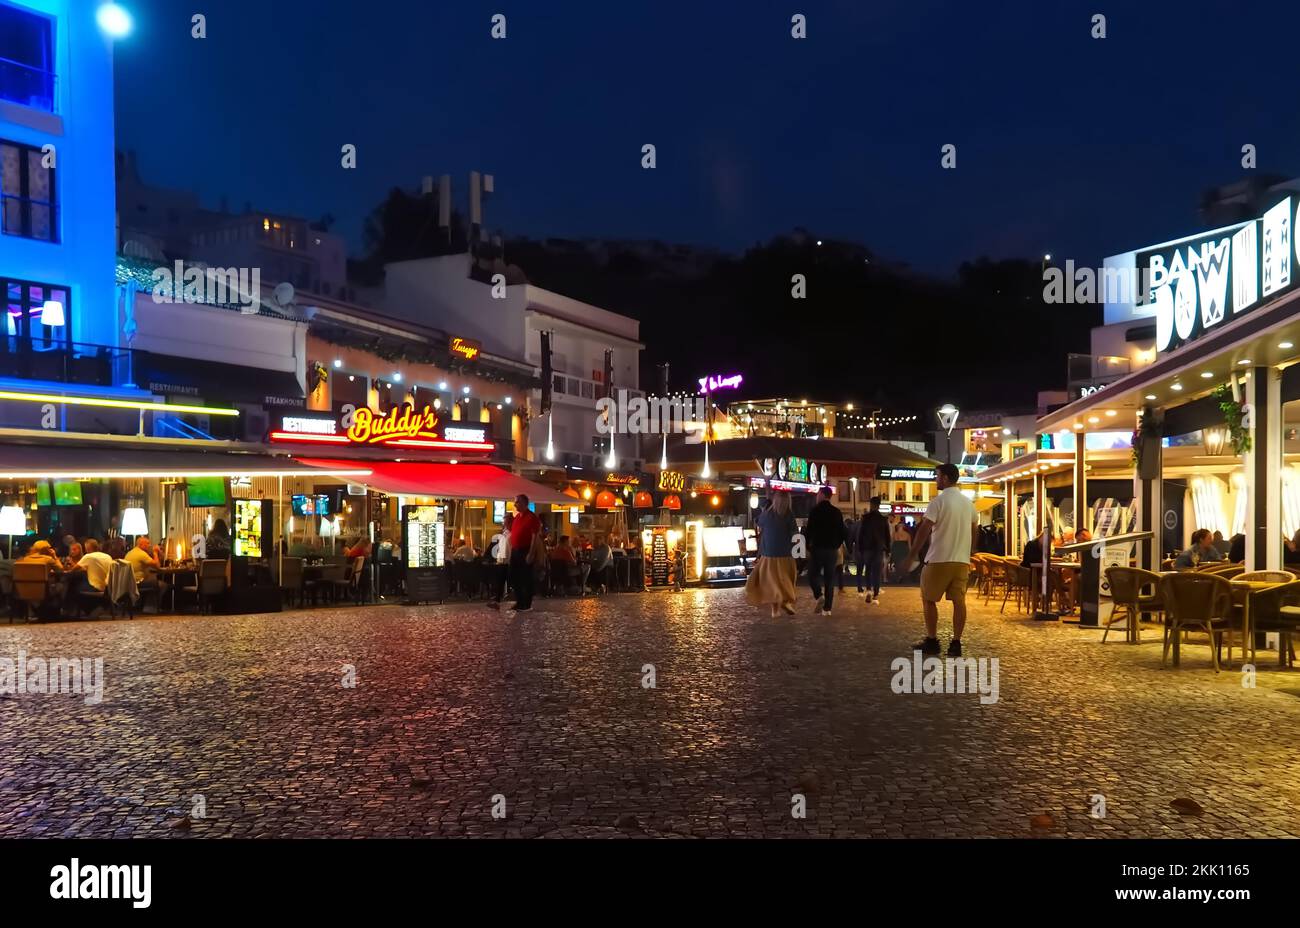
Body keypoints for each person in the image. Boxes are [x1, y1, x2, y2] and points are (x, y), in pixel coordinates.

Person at [905, 463, 978, 657]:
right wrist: (969, 552)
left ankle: (932, 640)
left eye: (937, 476)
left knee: (928, 599)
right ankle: (956, 643)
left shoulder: (938, 501)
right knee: (959, 601)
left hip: (938, 559)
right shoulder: (968, 503)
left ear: (945, 478)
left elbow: (924, 529)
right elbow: (974, 529)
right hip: (961, 560)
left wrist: (913, 553)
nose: (935, 479)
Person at [746, 490, 798, 618]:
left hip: (768, 554)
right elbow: (795, 534)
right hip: (785, 554)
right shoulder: (789, 515)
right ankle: (785, 602)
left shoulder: (767, 513)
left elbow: (758, 522)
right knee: (785, 580)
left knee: (771, 582)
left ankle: (775, 610)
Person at [804, 486, 846, 616]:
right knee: (829, 579)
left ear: (822, 495)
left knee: (812, 575)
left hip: (817, 548)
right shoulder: (836, 512)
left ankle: (818, 594)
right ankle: (827, 609)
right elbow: (843, 532)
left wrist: (808, 546)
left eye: (818, 494)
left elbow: (808, 530)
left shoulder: (815, 511)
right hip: (831, 550)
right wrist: (836, 544)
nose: (817, 496)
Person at [506, 495, 541, 615]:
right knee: (514, 576)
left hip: (525, 550)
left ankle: (526, 603)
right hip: (516, 550)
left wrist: (531, 553)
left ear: (524, 503)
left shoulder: (531, 518)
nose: (515, 505)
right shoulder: (517, 518)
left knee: (526, 577)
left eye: (517, 502)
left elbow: (535, 536)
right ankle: (520, 600)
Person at [856, 496, 890, 604]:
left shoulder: (866, 518)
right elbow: (887, 536)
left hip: (867, 548)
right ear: (879, 505)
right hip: (878, 548)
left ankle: (869, 590)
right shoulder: (883, 519)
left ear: (871, 505)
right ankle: (875, 595)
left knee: (868, 570)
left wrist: (860, 547)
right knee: (877, 572)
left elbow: (861, 534)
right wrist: (888, 549)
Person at [487, 514, 513, 608]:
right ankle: (497, 600)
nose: (503, 523)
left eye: (505, 521)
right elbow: (502, 548)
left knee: (509, 581)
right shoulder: (504, 533)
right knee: (500, 581)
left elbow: (510, 548)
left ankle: (515, 599)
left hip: (508, 561)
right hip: (502, 561)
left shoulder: (511, 534)